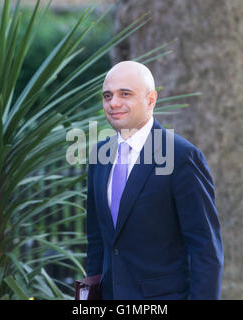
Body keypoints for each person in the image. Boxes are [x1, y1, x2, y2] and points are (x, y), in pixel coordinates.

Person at [85, 60, 224, 300]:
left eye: (125, 94)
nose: (113, 103)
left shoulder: (182, 157)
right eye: (107, 96)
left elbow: (206, 250)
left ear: (151, 99)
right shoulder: (99, 156)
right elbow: (97, 242)